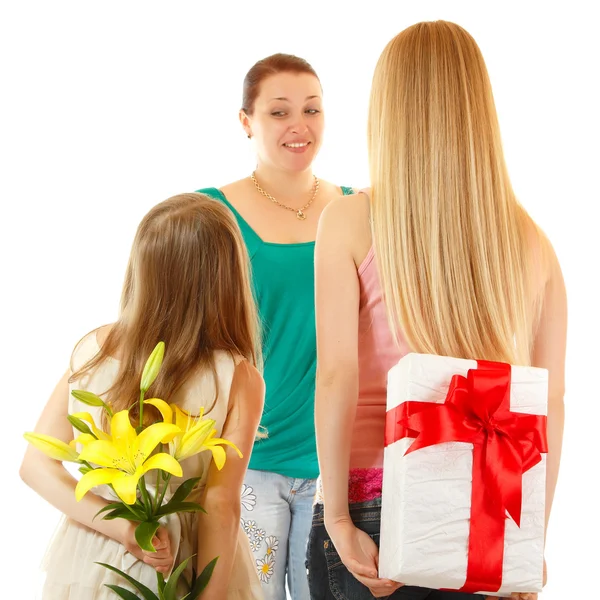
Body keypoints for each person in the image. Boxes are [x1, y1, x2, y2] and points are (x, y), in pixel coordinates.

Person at [309, 21, 566, 600]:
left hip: (371, 509)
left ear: (387, 111)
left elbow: (336, 376)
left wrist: (339, 521)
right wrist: (529, 544)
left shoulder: (349, 221)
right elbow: (548, 404)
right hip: (488, 516)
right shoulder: (535, 244)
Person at [20, 193, 265, 600]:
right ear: (227, 274)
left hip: (96, 557)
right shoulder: (237, 376)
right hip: (184, 561)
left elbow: (35, 465)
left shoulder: (94, 351)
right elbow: (220, 505)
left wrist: (121, 527)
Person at [197, 53, 355, 600]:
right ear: (246, 121)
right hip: (249, 461)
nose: (299, 125)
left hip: (341, 461)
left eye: (312, 110)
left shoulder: (359, 210)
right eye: (279, 111)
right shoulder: (212, 214)